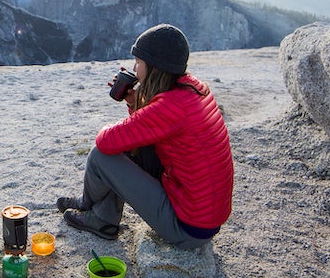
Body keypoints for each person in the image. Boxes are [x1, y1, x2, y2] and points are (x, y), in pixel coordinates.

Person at [59, 24, 233, 250]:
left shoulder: (170, 107)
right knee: (129, 147)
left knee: (103, 155)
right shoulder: (192, 89)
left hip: (188, 228)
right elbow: (149, 131)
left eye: (138, 63)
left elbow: (106, 141)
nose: (134, 68)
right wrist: (134, 103)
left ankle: (87, 206)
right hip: (202, 215)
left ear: (154, 67)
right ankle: (102, 219)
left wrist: (119, 121)